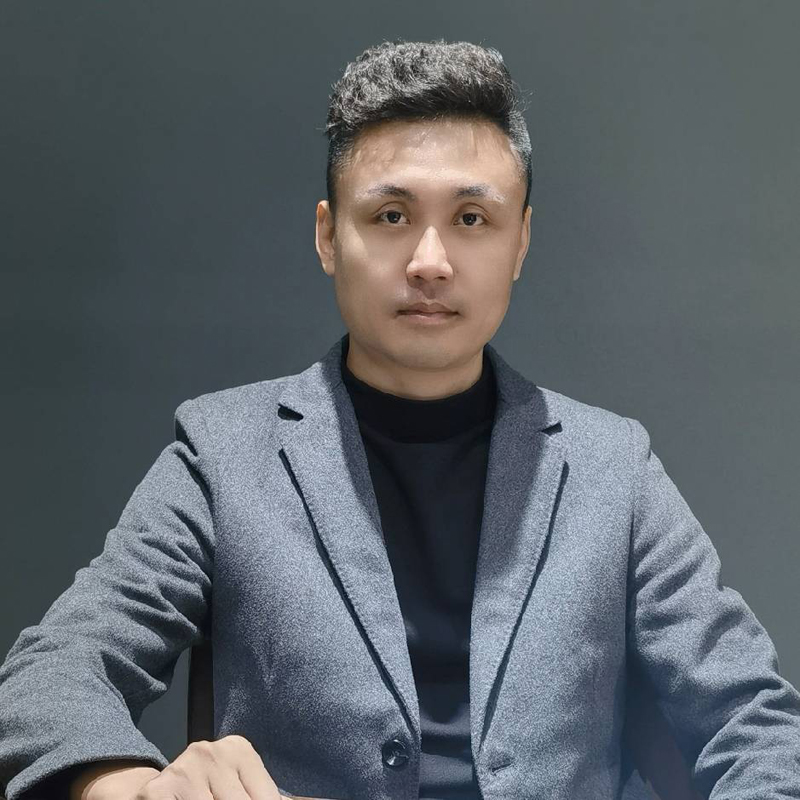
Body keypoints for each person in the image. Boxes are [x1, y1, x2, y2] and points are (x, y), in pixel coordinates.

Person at [1, 38, 798, 800]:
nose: (429, 261)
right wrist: (140, 789)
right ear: (327, 236)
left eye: (472, 219)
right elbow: (51, 673)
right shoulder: (224, 454)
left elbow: (755, 723)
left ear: (521, 241)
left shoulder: (612, 469)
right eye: (390, 216)